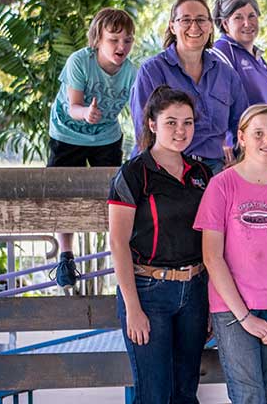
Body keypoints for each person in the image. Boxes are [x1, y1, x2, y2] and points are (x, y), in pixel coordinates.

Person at [196, 104, 267, 404]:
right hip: (233, 308)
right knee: (249, 396)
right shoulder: (221, 186)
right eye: (258, 133)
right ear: (242, 138)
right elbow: (212, 257)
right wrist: (244, 317)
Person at [108, 86, 212, 404]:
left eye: (187, 122)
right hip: (149, 292)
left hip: (194, 292)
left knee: (185, 393)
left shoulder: (202, 174)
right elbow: (117, 243)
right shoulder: (134, 174)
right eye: (171, 122)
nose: (180, 130)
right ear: (152, 124)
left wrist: (208, 303)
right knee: (154, 395)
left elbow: (211, 242)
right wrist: (133, 309)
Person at [48, 8, 138, 290]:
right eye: (114, 39)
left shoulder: (132, 72)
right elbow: (73, 105)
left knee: (116, 194)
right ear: (97, 39)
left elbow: (139, 111)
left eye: (127, 40)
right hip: (68, 132)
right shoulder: (79, 62)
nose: (121, 46)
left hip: (106, 136)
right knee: (61, 193)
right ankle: (65, 254)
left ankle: (125, 253)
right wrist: (86, 112)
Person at [131, 0, 248, 173]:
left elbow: (243, 125)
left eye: (201, 20)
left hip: (214, 167)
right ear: (172, 26)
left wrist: (241, 159)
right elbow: (143, 129)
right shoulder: (152, 71)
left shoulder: (227, 75)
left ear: (210, 27)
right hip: (163, 165)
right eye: (185, 20)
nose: (194, 26)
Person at [213, 0, 267, 164]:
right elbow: (216, 102)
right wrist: (224, 141)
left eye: (252, 16)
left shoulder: (260, 59)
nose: (247, 23)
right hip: (245, 155)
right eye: (238, 17)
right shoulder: (222, 52)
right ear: (225, 24)